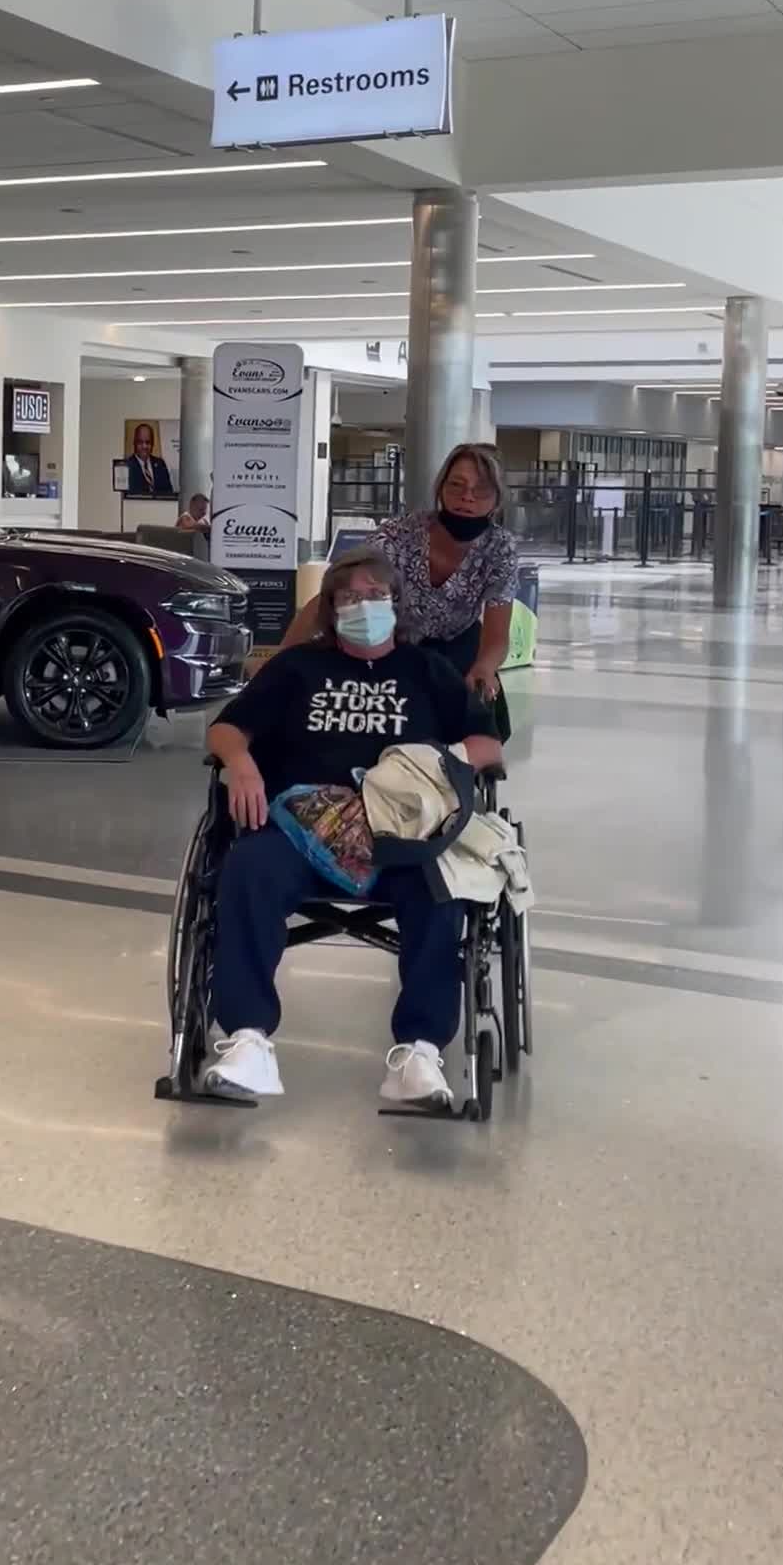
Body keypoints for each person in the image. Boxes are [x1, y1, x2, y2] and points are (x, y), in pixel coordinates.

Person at [204, 551, 502, 1108]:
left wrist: (445, 763)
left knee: (442, 889)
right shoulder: (297, 669)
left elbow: (488, 744)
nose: (363, 607)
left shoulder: (426, 671)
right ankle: (247, 1039)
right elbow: (227, 729)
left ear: (396, 604)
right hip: (303, 829)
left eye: (375, 596)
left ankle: (419, 1052)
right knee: (247, 867)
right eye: (349, 597)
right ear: (330, 609)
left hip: (399, 833)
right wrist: (240, 763)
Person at [281, 443, 518, 702]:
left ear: (497, 498)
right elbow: (333, 596)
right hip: (393, 644)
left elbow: (497, 635)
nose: (467, 497)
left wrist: (485, 667)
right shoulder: (399, 535)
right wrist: (280, 660)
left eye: (481, 489)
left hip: (459, 646)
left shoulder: (500, 548)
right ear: (440, 488)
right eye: (456, 485)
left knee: (475, 708)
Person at [123, 421, 175, 499]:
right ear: (134, 443)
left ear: (152, 444)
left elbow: (169, 493)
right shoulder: (127, 466)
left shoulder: (160, 464)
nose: (144, 446)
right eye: (140, 442)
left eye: (148, 442)